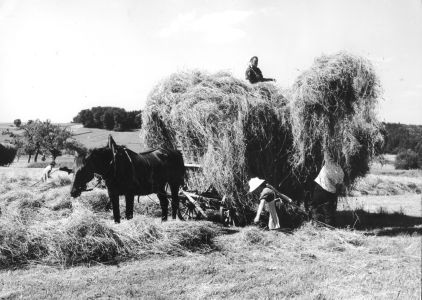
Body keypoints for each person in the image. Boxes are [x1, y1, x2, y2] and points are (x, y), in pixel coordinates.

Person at [310, 151, 345, 226]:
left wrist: (326, 147)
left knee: (315, 207)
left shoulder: (328, 164)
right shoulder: (340, 170)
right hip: (330, 192)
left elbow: (326, 154)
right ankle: (329, 227)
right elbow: (339, 184)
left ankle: (316, 224)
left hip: (320, 189)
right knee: (329, 212)